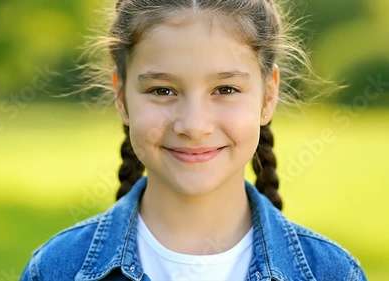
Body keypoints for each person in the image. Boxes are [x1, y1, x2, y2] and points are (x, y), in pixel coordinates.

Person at [20, 0, 367, 280]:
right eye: (162, 90)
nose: (194, 125)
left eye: (226, 89)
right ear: (122, 97)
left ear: (268, 96)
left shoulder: (332, 272)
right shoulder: (56, 269)